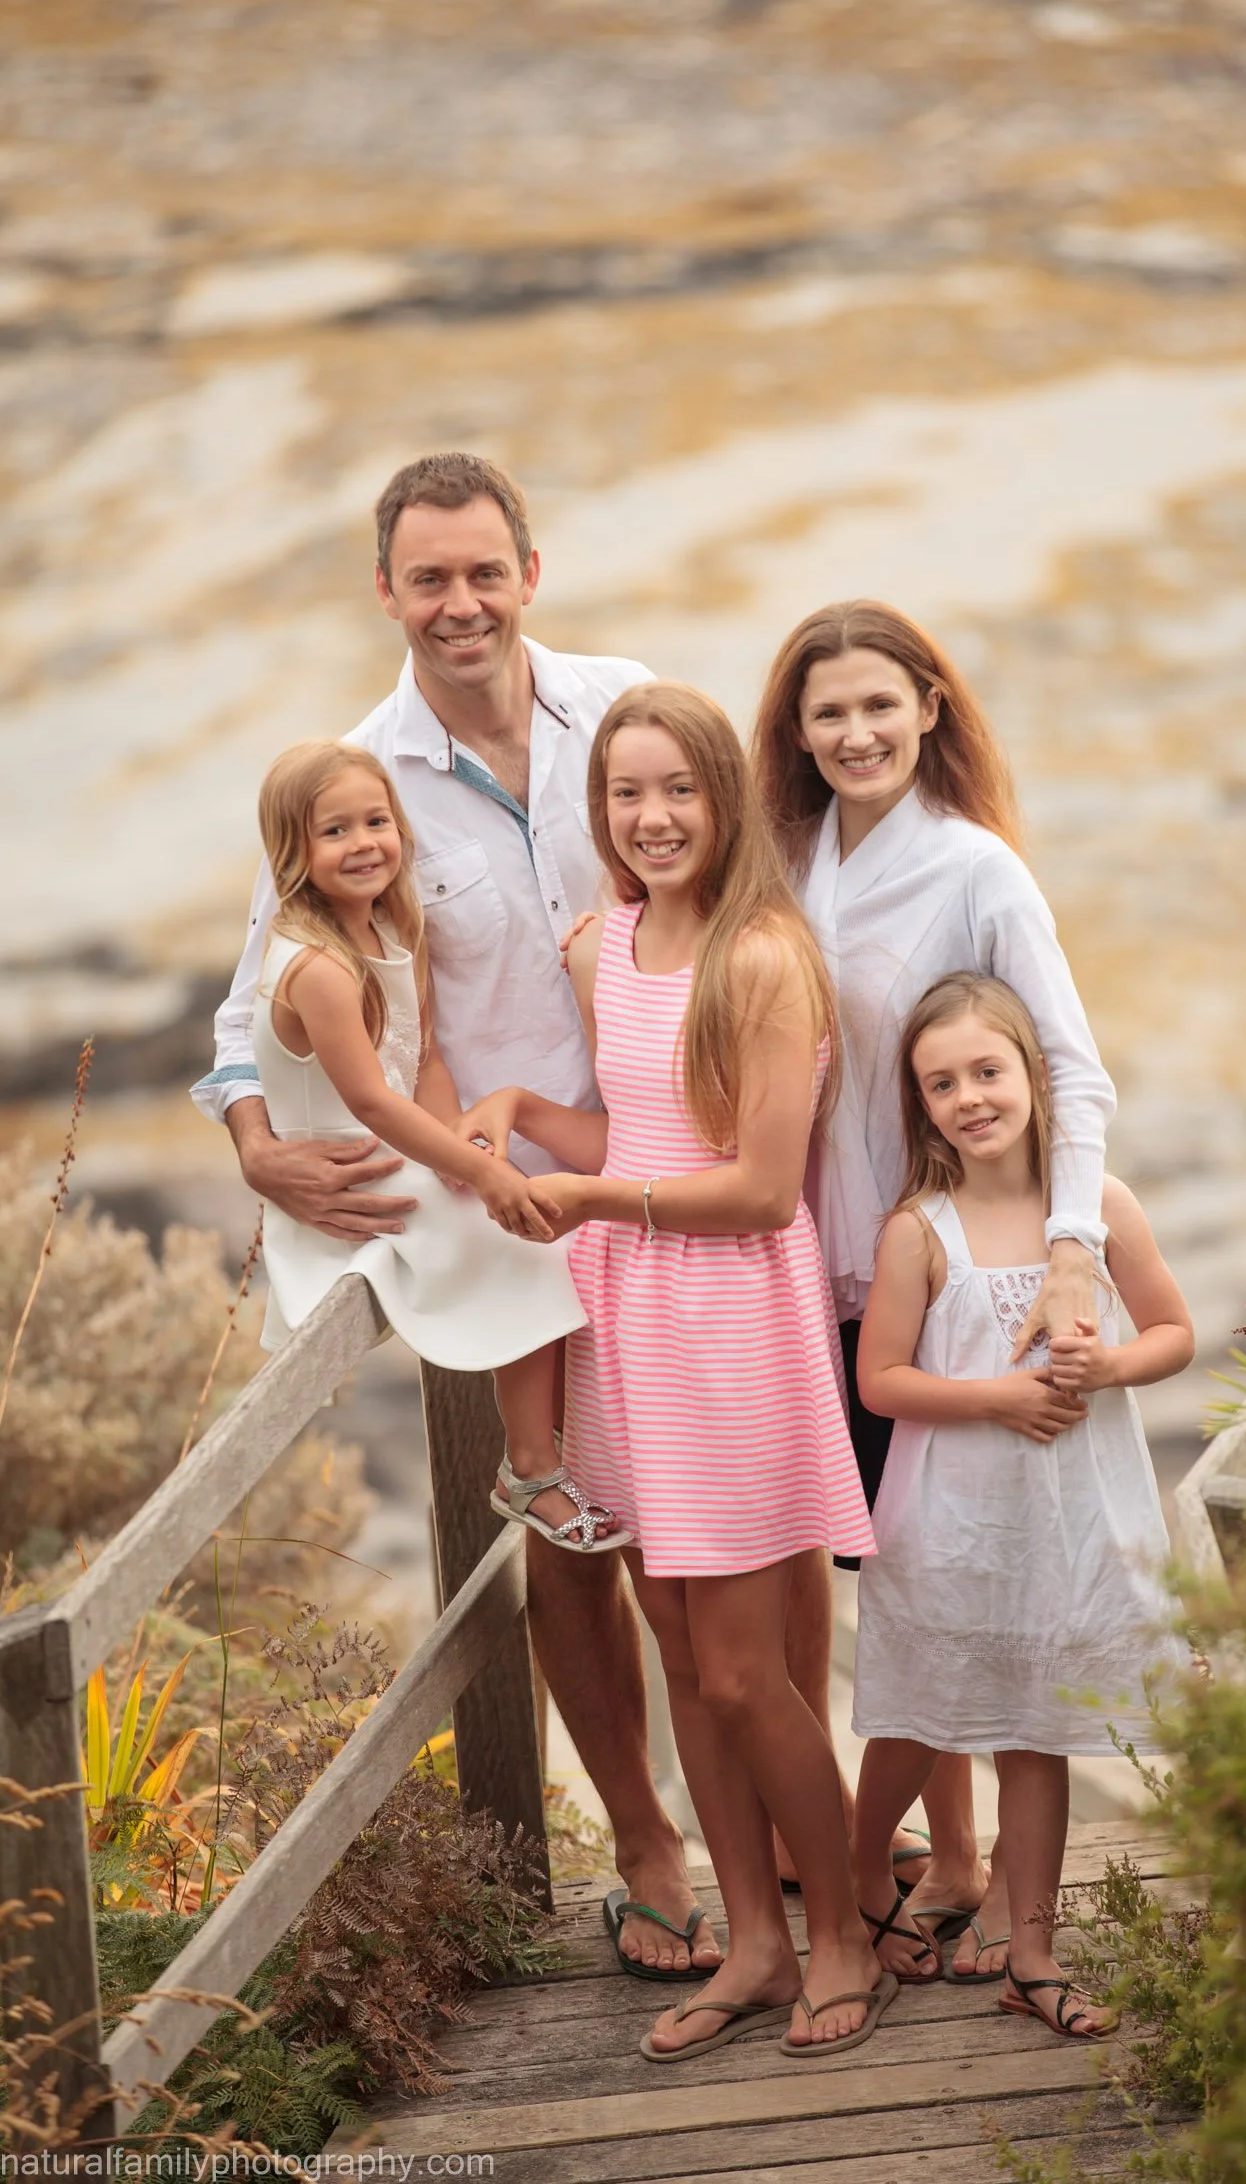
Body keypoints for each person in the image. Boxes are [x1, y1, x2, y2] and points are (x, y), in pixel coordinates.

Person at [191, 452, 720, 1978]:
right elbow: (257, 998)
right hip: (506, 1213)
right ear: (386, 591)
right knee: (570, 1539)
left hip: (673, 1173)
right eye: (429, 577)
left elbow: (738, 893)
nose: (461, 601)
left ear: (530, 570)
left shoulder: (629, 708)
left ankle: (780, 1800)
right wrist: (250, 1140)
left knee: (725, 1520)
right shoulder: (353, 777)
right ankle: (646, 1840)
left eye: (485, 569)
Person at [462, 683, 894, 2061]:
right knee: (679, 1648)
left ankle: (836, 1934)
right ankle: (753, 1945)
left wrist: (589, 1205)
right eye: (625, 794)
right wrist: (530, 1117)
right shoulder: (609, 945)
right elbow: (636, 1122)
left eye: (678, 792)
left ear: (724, 799)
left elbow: (763, 1190)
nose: (650, 819)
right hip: (631, 1330)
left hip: (727, 1330)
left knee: (743, 1671)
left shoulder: (766, 962)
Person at [750, 599, 1118, 1974]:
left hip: (941, 1284)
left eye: (878, 706)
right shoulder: (780, 863)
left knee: (932, 1573)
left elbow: (1071, 1068)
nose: (854, 732)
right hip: (808, 1271)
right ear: (794, 730)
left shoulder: (977, 869)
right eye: (825, 711)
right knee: (903, 1576)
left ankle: (891, 1871)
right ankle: (953, 1862)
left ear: (929, 708)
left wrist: (1074, 1240)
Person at [851, 972, 1193, 2032]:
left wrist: (1109, 1370)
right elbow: (880, 1382)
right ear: (921, 1106)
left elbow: (1174, 1334)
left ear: (1038, 1079)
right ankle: (858, 1887)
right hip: (953, 1524)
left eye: (988, 1071)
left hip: (1065, 1525)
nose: (970, 1098)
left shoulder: (1094, 1216)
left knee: (1037, 1733)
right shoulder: (920, 1229)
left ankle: (1033, 1957)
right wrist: (999, 1395)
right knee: (916, 1718)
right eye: (941, 1083)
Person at [248, 738, 618, 1551]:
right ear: (293, 852)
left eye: (376, 820)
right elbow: (372, 1103)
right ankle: (530, 1469)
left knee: (533, 1222)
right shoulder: (316, 966)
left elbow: (426, 1060)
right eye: (334, 831)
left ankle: (572, 1453)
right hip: (352, 1183)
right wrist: (480, 1174)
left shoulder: (394, 928)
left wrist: (459, 1139)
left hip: (407, 1152)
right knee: (527, 1246)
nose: (364, 843)